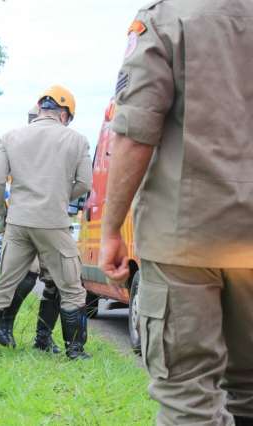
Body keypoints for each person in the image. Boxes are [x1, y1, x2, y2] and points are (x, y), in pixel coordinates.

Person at [99, 2, 253, 424]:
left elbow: (135, 131)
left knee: (188, 394)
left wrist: (111, 228)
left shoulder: (166, 17)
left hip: (185, 236)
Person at [0, 85, 92, 360]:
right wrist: (60, 196)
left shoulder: (9, 137)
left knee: (3, 286)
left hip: (17, 222)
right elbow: (84, 183)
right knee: (71, 288)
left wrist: (0, 215)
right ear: (65, 114)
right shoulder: (77, 140)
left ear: (40, 109)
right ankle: (74, 351)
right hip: (53, 223)